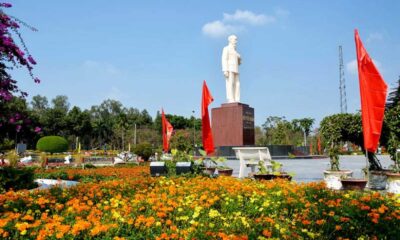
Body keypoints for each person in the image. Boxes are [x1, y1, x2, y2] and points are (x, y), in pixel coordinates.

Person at [222, 35, 241, 103]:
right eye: (235, 39)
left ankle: (237, 98)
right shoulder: (226, 48)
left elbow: (239, 63)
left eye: (236, 39)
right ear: (230, 40)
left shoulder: (235, 51)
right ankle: (230, 98)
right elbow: (224, 59)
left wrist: (239, 57)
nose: (236, 41)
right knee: (230, 83)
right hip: (229, 68)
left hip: (236, 69)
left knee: (237, 84)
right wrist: (225, 70)